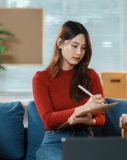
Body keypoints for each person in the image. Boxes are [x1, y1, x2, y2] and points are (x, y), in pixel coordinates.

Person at [32, 20, 106, 160]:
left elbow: (101, 118)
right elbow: (48, 120)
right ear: (60, 44)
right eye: (74, 45)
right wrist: (82, 108)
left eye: (83, 48)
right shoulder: (41, 78)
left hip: (85, 139)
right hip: (55, 142)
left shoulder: (91, 76)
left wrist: (89, 121)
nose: (79, 52)